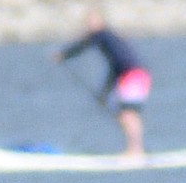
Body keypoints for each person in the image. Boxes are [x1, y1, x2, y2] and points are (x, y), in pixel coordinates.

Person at [53, 10, 150, 155]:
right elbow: (114, 69)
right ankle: (135, 149)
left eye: (92, 21)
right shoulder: (109, 39)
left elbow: (83, 45)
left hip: (133, 75)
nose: (89, 25)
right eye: (88, 22)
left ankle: (135, 150)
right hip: (129, 76)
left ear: (101, 21)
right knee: (124, 114)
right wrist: (104, 93)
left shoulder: (103, 34)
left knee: (128, 113)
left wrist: (64, 55)